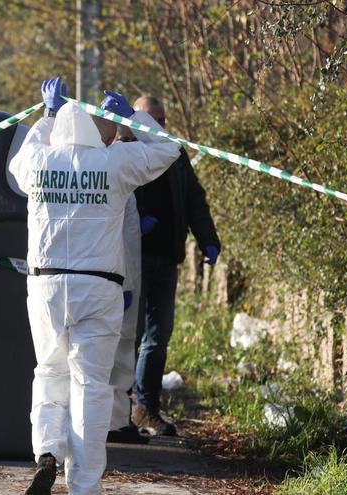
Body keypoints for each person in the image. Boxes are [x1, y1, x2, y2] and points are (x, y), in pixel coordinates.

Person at [10, 78, 180, 495]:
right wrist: (132, 118)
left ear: (58, 131)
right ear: (95, 132)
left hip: (46, 286)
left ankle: (46, 450)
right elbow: (168, 149)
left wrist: (47, 115)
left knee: (49, 371)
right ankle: (84, 484)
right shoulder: (114, 163)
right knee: (91, 387)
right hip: (98, 288)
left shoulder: (40, 163)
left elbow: (17, 162)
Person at [132, 96, 221, 437]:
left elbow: (194, 198)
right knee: (128, 337)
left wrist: (207, 238)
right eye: (152, 120)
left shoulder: (175, 153)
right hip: (132, 258)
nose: (160, 127)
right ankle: (117, 412)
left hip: (166, 258)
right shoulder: (125, 149)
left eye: (164, 120)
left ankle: (146, 408)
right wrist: (134, 220)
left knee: (157, 337)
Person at [107, 126, 146, 445]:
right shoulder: (111, 177)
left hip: (119, 276)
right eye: (124, 139)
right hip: (114, 279)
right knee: (114, 350)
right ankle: (113, 422)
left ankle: (117, 420)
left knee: (121, 348)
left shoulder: (119, 178)